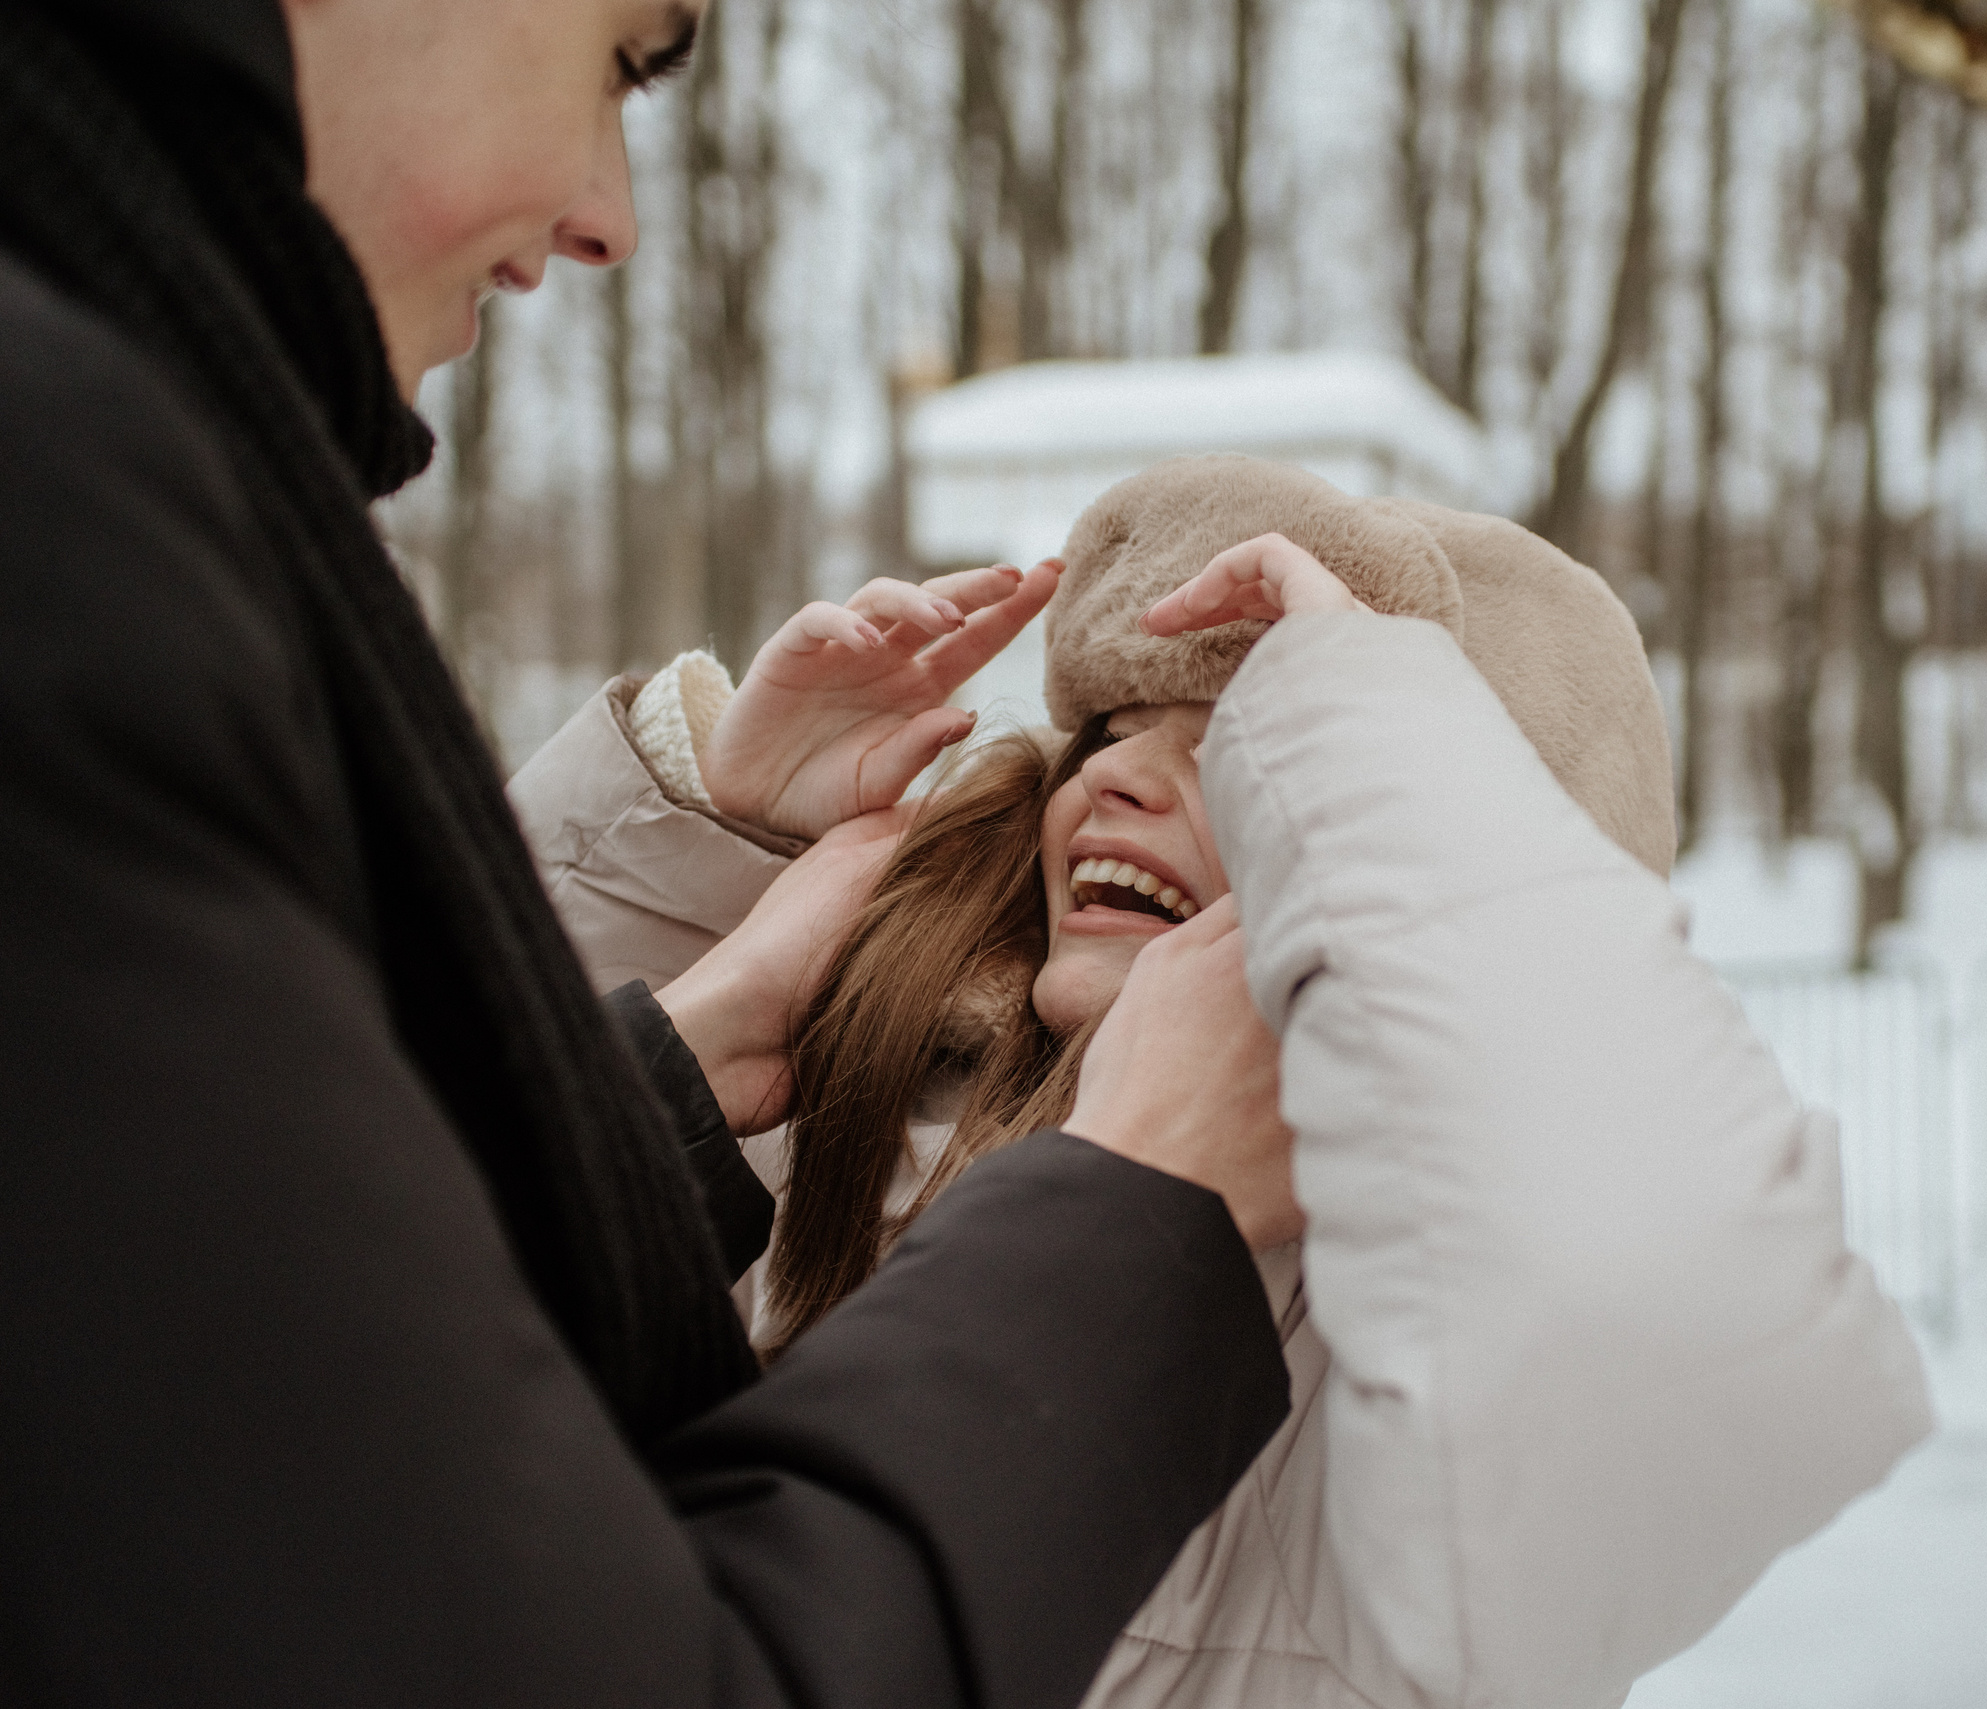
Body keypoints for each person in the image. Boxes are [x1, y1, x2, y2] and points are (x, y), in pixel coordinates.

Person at [0, 2, 1307, 1702]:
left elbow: (248, 1326)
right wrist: (1147, 1220)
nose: (610, 212)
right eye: (626, 56)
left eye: (1239, 762)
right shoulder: (65, 529)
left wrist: (680, 1061)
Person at [518, 454, 1936, 1709]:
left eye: (1235, 756)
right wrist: (710, 883)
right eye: (1112, 739)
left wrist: (1380, 755)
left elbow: (1657, 1309)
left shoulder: (1414, 1345)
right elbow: (453, 1323)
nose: (1117, 785)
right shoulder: (887, 1111)